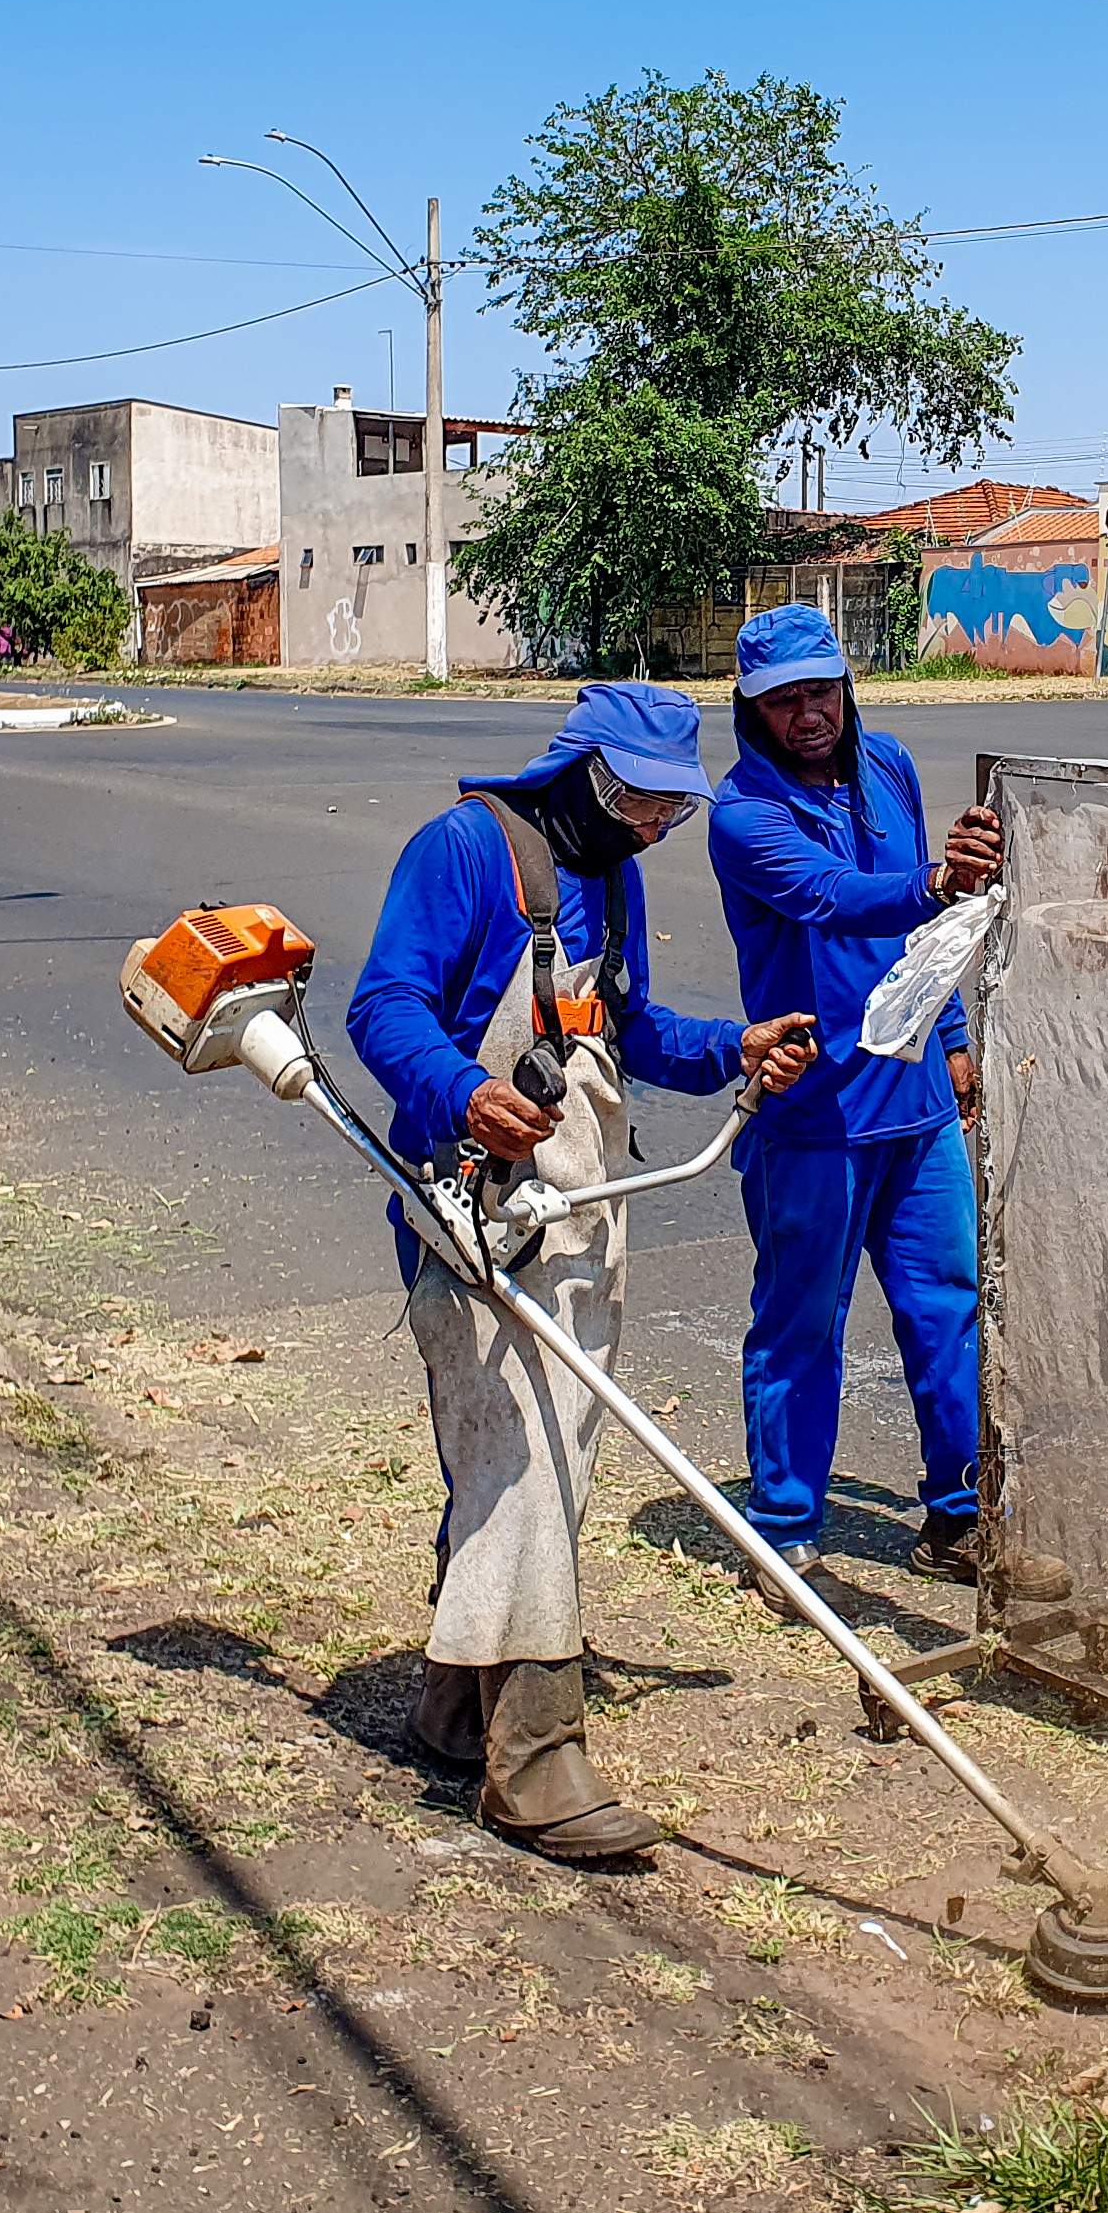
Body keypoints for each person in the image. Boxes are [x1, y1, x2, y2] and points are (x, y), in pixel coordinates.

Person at [346, 683, 815, 1860]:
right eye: (646, 806)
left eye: (672, 813)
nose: (658, 828)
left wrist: (732, 1050)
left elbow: (628, 1028)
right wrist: (464, 1091)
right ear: (590, 777)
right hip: (474, 1209)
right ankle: (536, 1764)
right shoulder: (464, 850)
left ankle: (456, 1711)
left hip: (584, 1202)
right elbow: (382, 1004)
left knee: (541, 1464)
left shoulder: (615, 878)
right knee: (523, 1459)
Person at [706, 604, 1068, 1615]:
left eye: (820, 690)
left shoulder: (890, 766)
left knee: (948, 1307)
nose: (808, 714)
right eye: (783, 701)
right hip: (813, 1112)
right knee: (800, 1328)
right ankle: (783, 1537)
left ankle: (959, 1518)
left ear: (846, 685)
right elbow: (833, 897)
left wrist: (952, 1042)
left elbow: (926, 937)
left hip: (912, 1103)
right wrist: (937, 877)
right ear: (752, 710)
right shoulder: (745, 814)